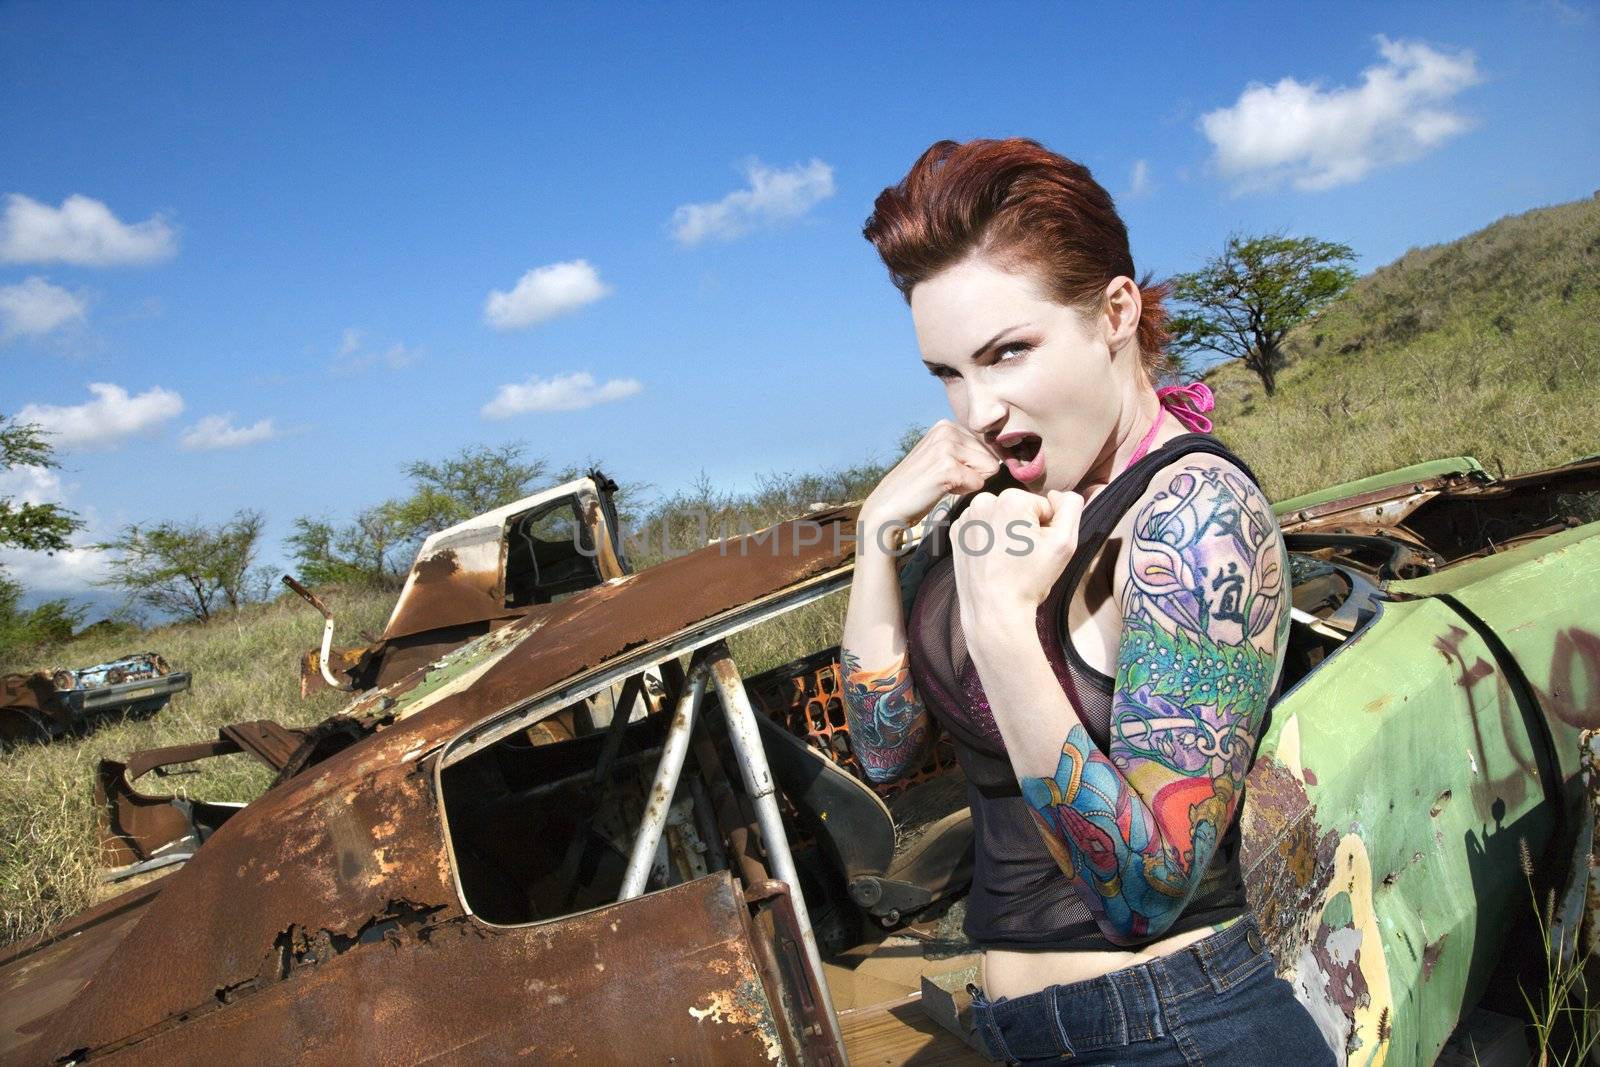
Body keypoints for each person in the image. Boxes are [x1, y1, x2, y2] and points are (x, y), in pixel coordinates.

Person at [839, 138, 1334, 1065]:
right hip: (1016, 1035)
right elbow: (885, 746)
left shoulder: (1192, 514)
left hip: (1180, 1027)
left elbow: (1144, 892)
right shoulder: (995, 508)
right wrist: (877, 539)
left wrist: (1001, 633)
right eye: (948, 373)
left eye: (1009, 352)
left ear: (1114, 312)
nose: (977, 408)